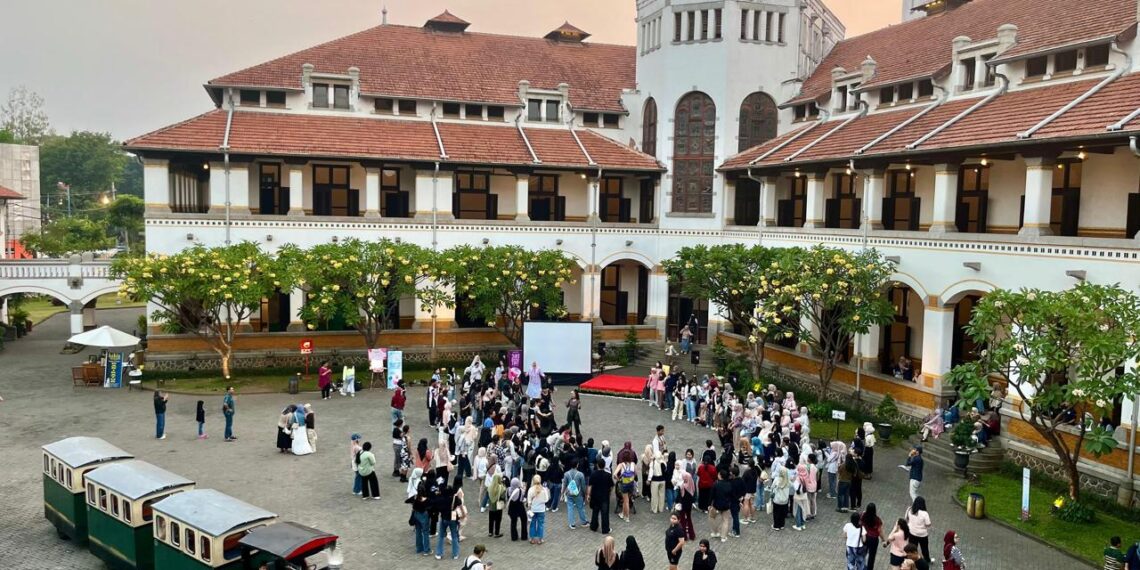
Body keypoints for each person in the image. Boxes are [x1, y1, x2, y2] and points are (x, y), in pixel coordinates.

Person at [435, 478, 461, 560]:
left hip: (444, 518)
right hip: (453, 517)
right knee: (454, 536)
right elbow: (460, 503)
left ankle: (439, 554)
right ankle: (455, 554)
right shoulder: (454, 498)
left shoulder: (441, 499)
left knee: (441, 536)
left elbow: (438, 508)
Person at [587, 458, 613, 534]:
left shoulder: (593, 474)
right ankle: (605, 529)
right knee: (605, 513)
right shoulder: (608, 475)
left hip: (595, 497)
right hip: (604, 497)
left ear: (597, 465)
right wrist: (609, 493)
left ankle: (593, 526)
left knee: (595, 512)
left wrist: (588, 495)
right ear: (604, 466)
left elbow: (590, 486)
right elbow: (611, 486)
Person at [906, 496, 933, 563]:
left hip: (912, 532)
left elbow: (906, 518)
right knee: (924, 548)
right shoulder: (924, 513)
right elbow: (928, 524)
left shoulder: (909, 509)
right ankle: (927, 560)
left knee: (912, 548)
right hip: (922, 534)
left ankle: (911, 560)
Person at [563, 460, 589, 529]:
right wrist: (585, 494)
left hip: (569, 493)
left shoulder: (566, 474)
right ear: (577, 465)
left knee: (570, 508)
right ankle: (583, 522)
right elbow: (583, 485)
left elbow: (564, 484)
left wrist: (562, 492)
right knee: (580, 507)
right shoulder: (580, 474)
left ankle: (572, 524)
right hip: (578, 494)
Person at [770, 464, 792, 531]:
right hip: (785, 500)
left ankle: (776, 525)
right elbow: (791, 486)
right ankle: (782, 525)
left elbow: (772, 487)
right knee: (783, 513)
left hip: (777, 500)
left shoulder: (777, 479)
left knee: (776, 513)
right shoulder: (788, 480)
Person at [863, 503, 883, 570]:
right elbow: (880, 531)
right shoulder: (877, 520)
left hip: (865, 537)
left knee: (863, 553)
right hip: (874, 539)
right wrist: (883, 539)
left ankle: (861, 566)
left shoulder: (863, 516)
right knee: (872, 556)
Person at [507, 477, 528, 542]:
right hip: (520, 508)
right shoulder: (520, 491)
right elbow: (522, 499)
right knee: (524, 520)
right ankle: (524, 536)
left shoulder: (508, 489)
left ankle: (514, 537)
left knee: (513, 522)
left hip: (511, 508)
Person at [487, 471, 506, 538]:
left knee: (491, 520)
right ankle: (496, 533)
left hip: (491, 506)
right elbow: (503, 497)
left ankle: (490, 532)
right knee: (498, 520)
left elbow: (487, 496)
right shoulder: (502, 488)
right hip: (498, 506)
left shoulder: (489, 487)